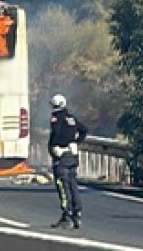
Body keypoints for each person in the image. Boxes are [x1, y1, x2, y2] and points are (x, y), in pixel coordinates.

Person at [48, 93, 88, 228]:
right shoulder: (71, 118)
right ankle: (77, 213)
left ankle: (67, 214)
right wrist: (75, 142)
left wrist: (55, 146)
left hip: (62, 156)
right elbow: (84, 130)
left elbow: (56, 133)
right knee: (73, 185)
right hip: (73, 156)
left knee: (63, 186)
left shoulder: (56, 118)